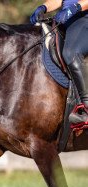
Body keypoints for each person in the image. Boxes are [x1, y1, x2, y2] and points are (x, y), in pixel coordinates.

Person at [30, 0, 88, 129]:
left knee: (70, 53)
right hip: (68, 20)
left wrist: (76, 7)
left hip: (84, 18)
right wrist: (43, 7)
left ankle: (86, 108)